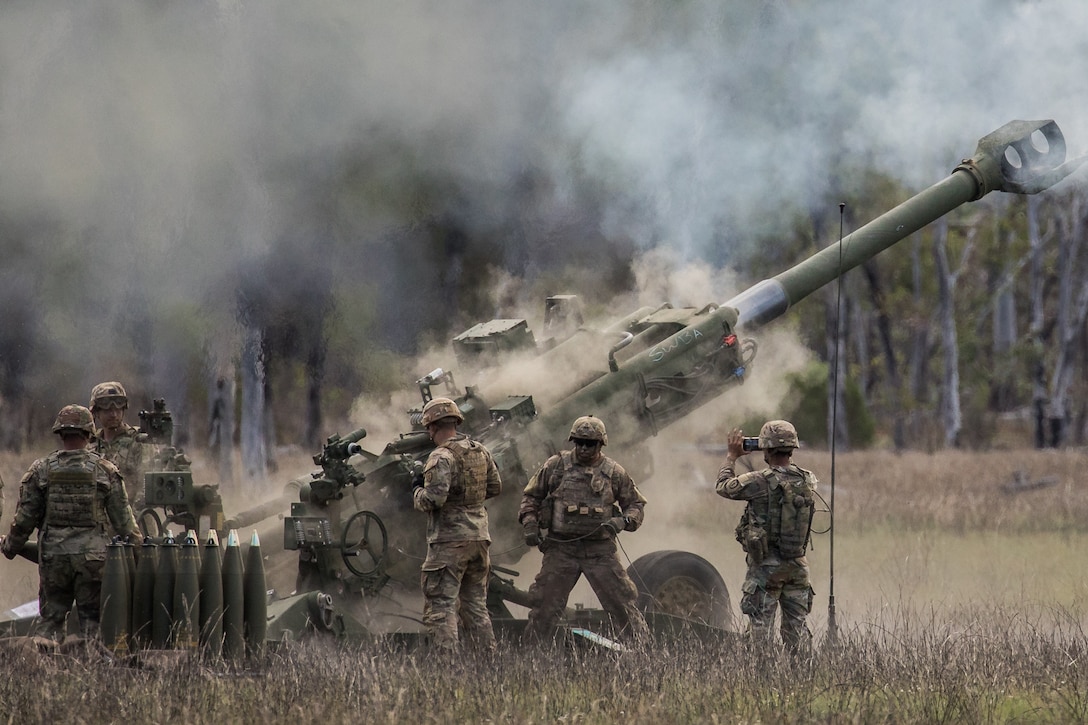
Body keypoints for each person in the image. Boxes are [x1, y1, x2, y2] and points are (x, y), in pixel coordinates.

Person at [0, 405, 139, 641]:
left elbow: (24, 520)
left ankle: (46, 665)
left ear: (61, 435)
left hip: (54, 560)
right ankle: (89, 668)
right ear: (88, 434)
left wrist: (10, 548)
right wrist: (139, 555)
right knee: (92, 624)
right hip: (93, 562)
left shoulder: (41, 470)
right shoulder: (106, 471)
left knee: (50, 622)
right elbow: (125, 524)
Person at [519, 415, 650, 645]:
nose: (584, 448)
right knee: (544, 608)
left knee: (623, 606)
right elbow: (531, 496)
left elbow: (636, 505)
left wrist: (622, 522)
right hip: (561, 550)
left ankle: (643, 654)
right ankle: (531, 657)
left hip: (599, 552)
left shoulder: (613, 472)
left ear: (601, 444)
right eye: (579, 442)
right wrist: (530, 523)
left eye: (590, 444)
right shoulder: (556, 466)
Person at [716, 420, 818, 653]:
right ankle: (803, 677)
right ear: (792, 448)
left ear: (766, 449)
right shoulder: (808, 479)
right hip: (798, 566)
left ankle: (762, 681)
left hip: (766, 568)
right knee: (797, 631)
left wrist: (732, 456)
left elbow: (723, 486)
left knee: (760, 632)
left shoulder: (758, 481)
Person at [412, 396, 502, 651]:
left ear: (432, 426)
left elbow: (433, 500)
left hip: (449, 543)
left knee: (441, 606)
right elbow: (496, 487)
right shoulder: (480, 449)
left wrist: (417, 489)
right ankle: (488, 663)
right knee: (475, 607)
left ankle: (448, 666)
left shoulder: (440, 457)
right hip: (479, 539)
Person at [88, 381, 149, 509]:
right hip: (100, 523)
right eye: (107, 410)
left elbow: (147, 484)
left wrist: (129, 520)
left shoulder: (139, 441)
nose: (114, 414)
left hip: (137, 521)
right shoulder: (90, 445)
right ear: (96, 412)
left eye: (117, 409)